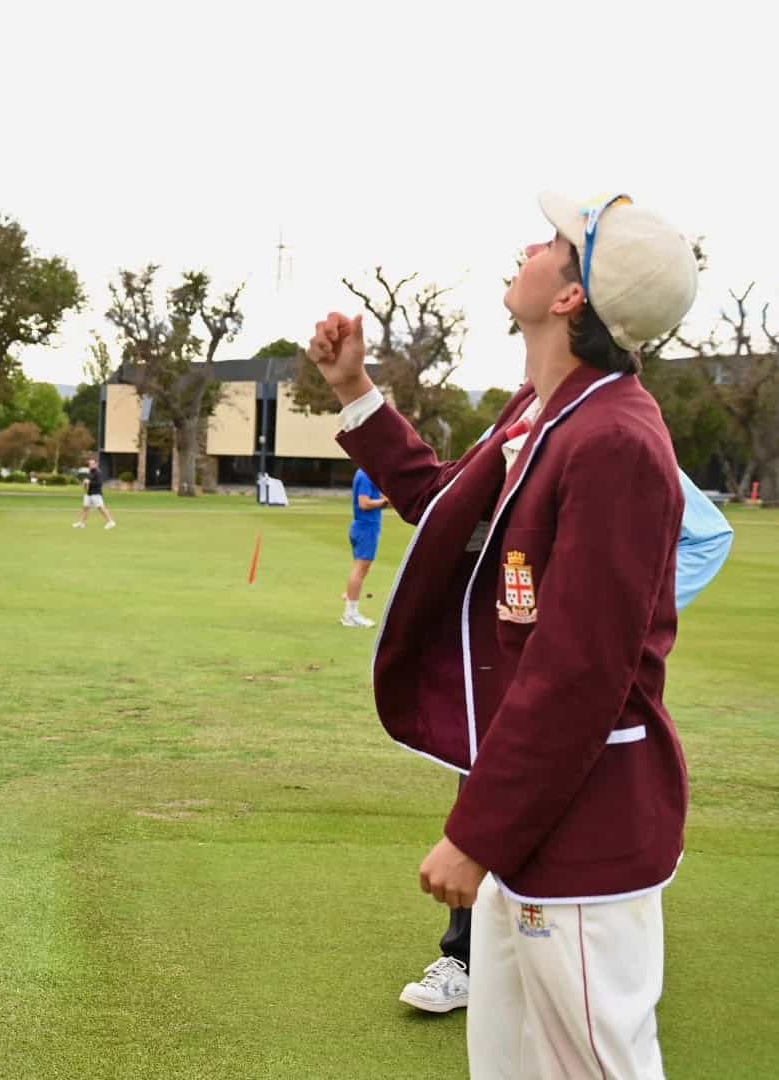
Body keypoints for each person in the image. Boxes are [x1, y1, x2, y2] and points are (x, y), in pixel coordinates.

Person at [309, 191, 698, 1078]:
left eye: (554, 241)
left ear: (571, 295)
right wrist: (354, 390)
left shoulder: (615, 439)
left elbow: (577, 674)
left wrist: (478, 833)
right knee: (512, 1065)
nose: (531, 245)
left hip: (584, 834)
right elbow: (441, 501)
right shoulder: (547, 408)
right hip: (536, 827)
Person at [399, 470, 734, 1015]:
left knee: (592, 808)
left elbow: (709, 535)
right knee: (486, 790)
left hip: (590, 671)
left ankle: (594, 957)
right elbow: (444, 504)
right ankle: (467, 959)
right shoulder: (510, 436)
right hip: (504, 656)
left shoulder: (618, 438)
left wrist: (628, 612)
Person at [342, 467, 387, 626]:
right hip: (366, 527)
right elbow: (364, 503)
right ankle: (351, 614)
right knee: (360, 569)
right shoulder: (365, 475)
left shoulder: (367, 473)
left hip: (365, 527)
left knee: (361, 569)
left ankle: (350, 602)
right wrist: (384, 502)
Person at [72, 455, 117, 529]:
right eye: (90, 464)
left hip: (96, 494)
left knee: (101, 508)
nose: (91, 465)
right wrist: (85, 484)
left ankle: (111, 522)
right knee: (85, 508)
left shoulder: (98, 473)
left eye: (93, 464)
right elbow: (87, 482)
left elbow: (99, 483)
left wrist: (89, 482)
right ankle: (82, 523)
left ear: (96, 464)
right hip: (88, 494)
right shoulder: (89, 472)